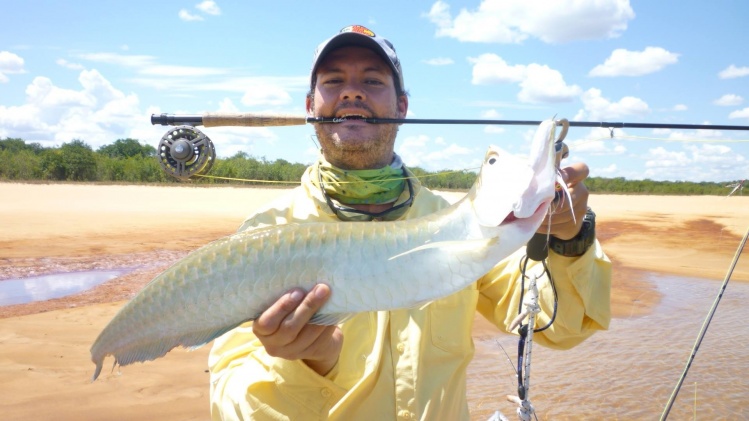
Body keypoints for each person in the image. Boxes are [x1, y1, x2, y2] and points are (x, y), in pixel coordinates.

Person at [209, 25, 611, 420]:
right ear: (310, 106)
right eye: (334, 81)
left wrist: (570, 238)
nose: (352, 91)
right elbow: (230, 400)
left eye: (372, 80)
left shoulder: (459, 225)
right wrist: (307, 363)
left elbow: (557, 327)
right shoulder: (266, 234)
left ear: (402, 107)